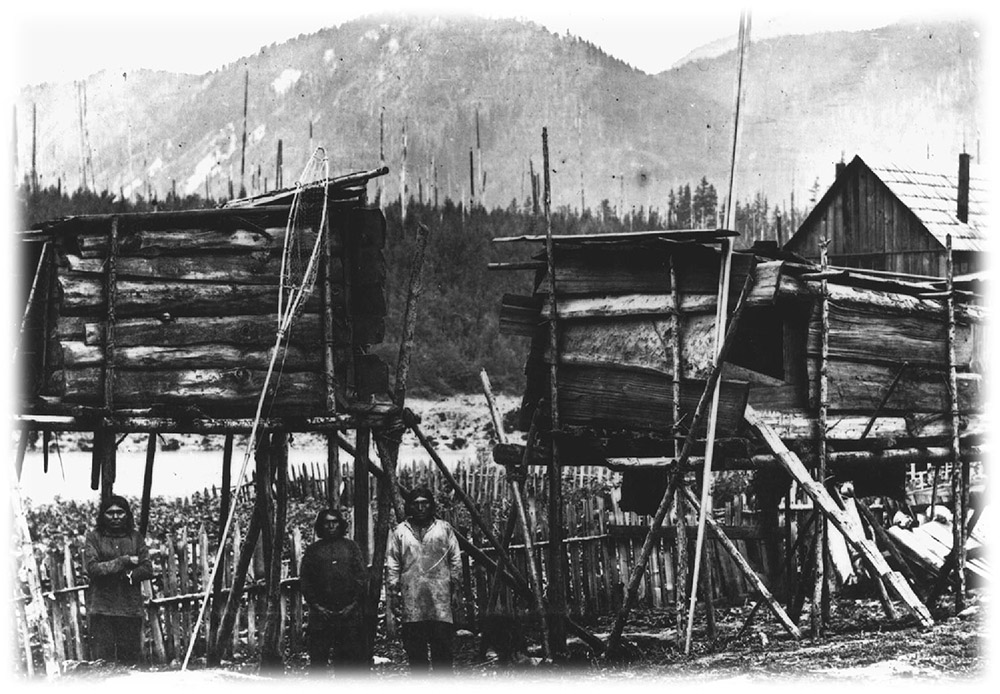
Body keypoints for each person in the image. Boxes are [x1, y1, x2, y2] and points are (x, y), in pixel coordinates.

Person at [386, 487, 463, 674]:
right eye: (416, 504)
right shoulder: (400, 532)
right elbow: (393, 564)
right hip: (412, 599)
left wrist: (456, 589)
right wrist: (394, 593)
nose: (420, 508)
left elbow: (455, 560)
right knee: (416, 653)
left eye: (425, 503)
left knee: (442, 651)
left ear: (431, 506)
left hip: (440, 600)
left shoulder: (443, 529)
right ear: (409, 507)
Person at [83, 495, 154, 665]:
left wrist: (128, 576)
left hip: (129, 609)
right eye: (110, 513)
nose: (115, 517)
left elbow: (147, 568)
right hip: (102, 609)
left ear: (127, 515)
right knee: (102, 664)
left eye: (120, 513)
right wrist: (125, 561)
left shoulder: (135, 538)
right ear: (102, 515)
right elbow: (93, 569)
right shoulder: (94, 538)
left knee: (130, 663)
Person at [299, 508, 370, 674]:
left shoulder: (351, 547)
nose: (331, 526)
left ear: (340, 524)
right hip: (321, 616)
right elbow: (306, 581)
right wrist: (317, 607)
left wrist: (352, 606)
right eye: (327, 522)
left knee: (346, 663)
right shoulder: (313, 551)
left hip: (348, 615)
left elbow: (361, 577)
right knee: (318, 662)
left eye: (334, 522)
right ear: (321, 526)